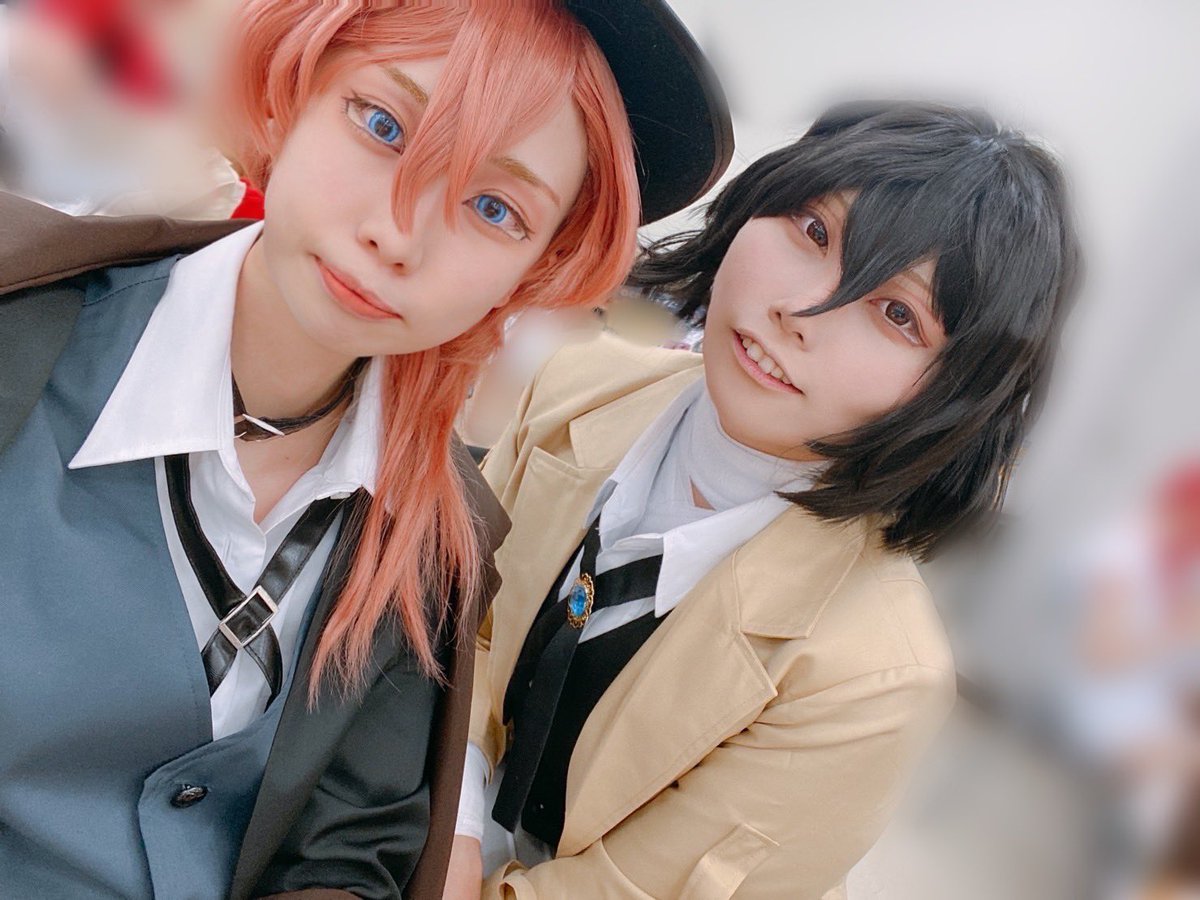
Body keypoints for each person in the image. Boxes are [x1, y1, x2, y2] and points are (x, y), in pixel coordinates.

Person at [0, 1, 732, 897]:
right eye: (383, 125)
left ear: (535, 270)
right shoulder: (23, 336)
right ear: (293, 89)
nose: (399, 234)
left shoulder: (435, 538)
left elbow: (352, 845)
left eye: (494, 208)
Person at [456, 101, 1080, 898]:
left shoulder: (877, 675)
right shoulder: (579, 383)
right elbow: (453, 627)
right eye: (814, 231)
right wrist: (452, 827)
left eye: (897, 314)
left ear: (954, 398)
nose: (802, 311)